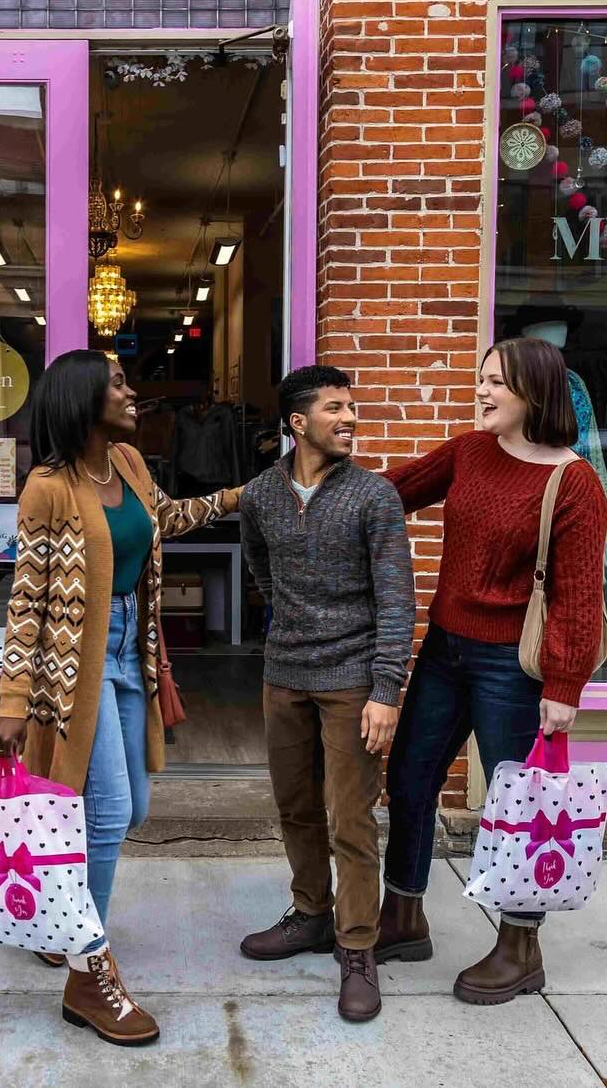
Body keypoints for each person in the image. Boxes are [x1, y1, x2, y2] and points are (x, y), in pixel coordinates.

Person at [0, 349, 240, 1047]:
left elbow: (166, 519)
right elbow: (26, 597)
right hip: (76, 664)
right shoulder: (48, 486)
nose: (133, 394)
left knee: (135, 807)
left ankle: (60, 921)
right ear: (82, 401)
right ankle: (85, 968)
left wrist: (236, 498)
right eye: (119, 385)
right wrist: (14, 695)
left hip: (132, 650)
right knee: (107, 810)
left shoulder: (128, 466)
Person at [377, 337, 607, 1004]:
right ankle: (403, 914)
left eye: (495, 384)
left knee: (519, 805)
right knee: (411, 775)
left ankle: (519, 945)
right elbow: (392, 492)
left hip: (513, 665)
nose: (481, 392)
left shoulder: (573, 483)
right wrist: (316, 486)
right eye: (481, 380)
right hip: (446, 650)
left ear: (534, 392)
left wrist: (563, 689)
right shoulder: (469, 452)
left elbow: (579, 597)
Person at [237, 365, 415, 1024]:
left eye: (352, 408)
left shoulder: (374, 496)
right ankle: (310, 915)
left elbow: (398, 599)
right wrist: (290, 619)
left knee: (350, 818)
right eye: (335, 408)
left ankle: (358, 947)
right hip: (283, 675)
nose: (350, 418)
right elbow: (262, 567)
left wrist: (385, 689)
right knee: (296, 807)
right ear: (297, 421)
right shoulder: (260, 495)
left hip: (351, 682)